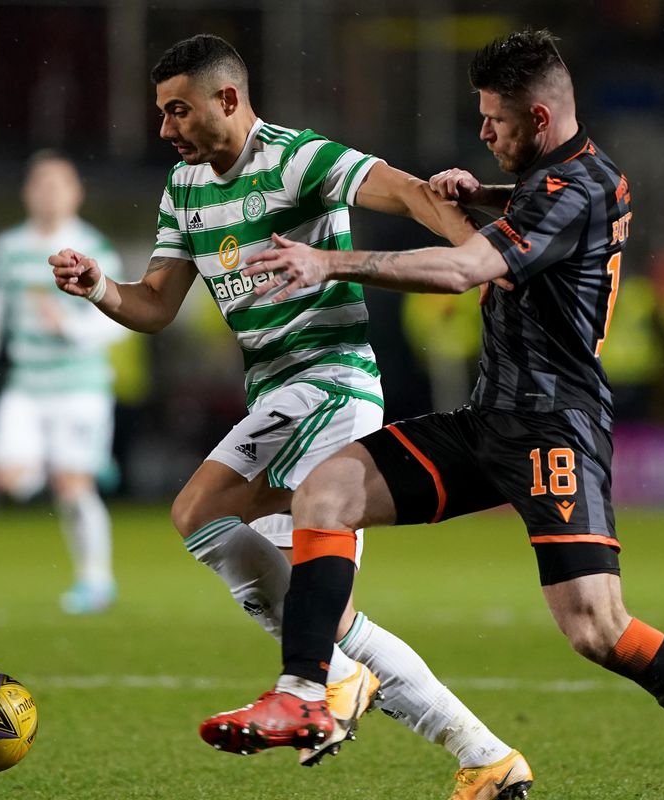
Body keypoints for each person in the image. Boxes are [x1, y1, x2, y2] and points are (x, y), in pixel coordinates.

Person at [203, 29, 664, 800]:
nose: (484, 132)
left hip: (556, 430)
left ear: (541, 118)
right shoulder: (573, 179)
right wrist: (484, 195)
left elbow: (464, 270)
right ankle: (304, 690)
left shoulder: (579, 188)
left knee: (598, 629)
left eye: (495, 119)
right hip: (489, 419)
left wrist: (330, 261)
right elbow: (534, 211)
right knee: (326, 492)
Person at [48, 34, 530, 798]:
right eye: (162, 113)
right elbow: (154, 305)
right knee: (326, 615)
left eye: (180, 111)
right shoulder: (184, 187)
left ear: (229, 100)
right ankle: (486, 757)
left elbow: (408, 192)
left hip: (329, 386)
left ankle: (322, 687)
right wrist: (99, 287)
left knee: (198, 509)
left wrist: (484, 259)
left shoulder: (297, 158)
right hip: (278, 396)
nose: (167, 129)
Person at [0, 151, 127, 615]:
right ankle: (77, 460)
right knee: (8, 479)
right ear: (27, 194)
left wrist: (69, 327)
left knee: (73, 485)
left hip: (80, 385)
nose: (48, 195)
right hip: (27, 385)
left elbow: (118, 317)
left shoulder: (93, 247)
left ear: (76, 193)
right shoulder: (9, 248)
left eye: (58, 186)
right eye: (40, 186)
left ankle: (96, 581)